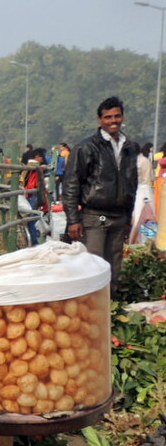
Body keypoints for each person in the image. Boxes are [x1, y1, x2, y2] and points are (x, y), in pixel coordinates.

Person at [62, 96, 138, 297]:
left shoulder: (129, 147)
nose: (113, 121)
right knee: (93, 267)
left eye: (117, 116)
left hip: (119, 216)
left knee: (113, 269)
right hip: (94, 217)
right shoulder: (87, 147)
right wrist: (73, 220)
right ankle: (89, 313)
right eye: (108, 117)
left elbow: (132, 183)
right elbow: (71, 183)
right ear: (99, 120)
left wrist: (129, 217)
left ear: (122, 117)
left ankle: (108, 314)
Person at [21, 147, 49, 245]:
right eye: (41, 157)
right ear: (37, 156)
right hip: (33, 194)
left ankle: (35, 241)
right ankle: (34, 241)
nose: (42, 159)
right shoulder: (33, 165)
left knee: (33, 218)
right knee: (32, 219)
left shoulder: (31, 165)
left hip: (32, 193)